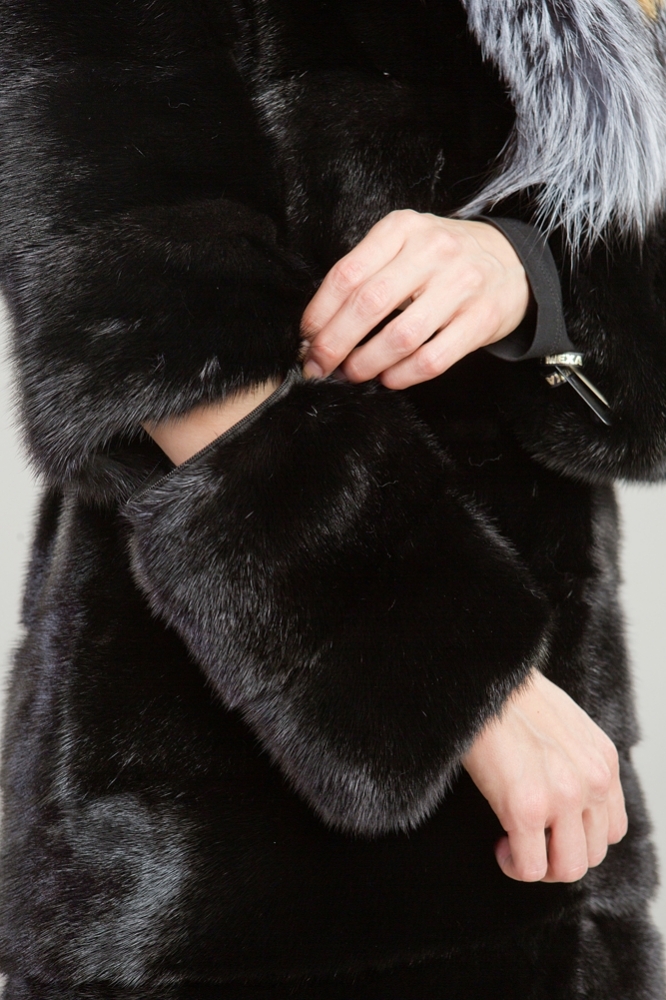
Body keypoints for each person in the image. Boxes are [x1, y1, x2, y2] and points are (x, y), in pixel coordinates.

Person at [0, 0, 664, 996]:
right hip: (226, 862)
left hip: (559, 821)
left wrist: (528, 271)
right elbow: (142, 327)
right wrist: (462, 678)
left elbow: (644, 369)